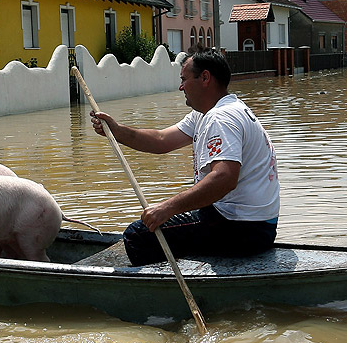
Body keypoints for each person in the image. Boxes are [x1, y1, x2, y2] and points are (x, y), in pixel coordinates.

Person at [90, 48, 279, 265]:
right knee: (167, 222)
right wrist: (117, 131)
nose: (181, 87)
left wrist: (168, 207)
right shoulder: (209, 112)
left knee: (138, 234)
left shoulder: (221, 118)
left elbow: (225, 178)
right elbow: (161, 140)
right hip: (256, 224)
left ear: (205, 78)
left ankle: (166, 292)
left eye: (184, 79)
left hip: (243, 228)